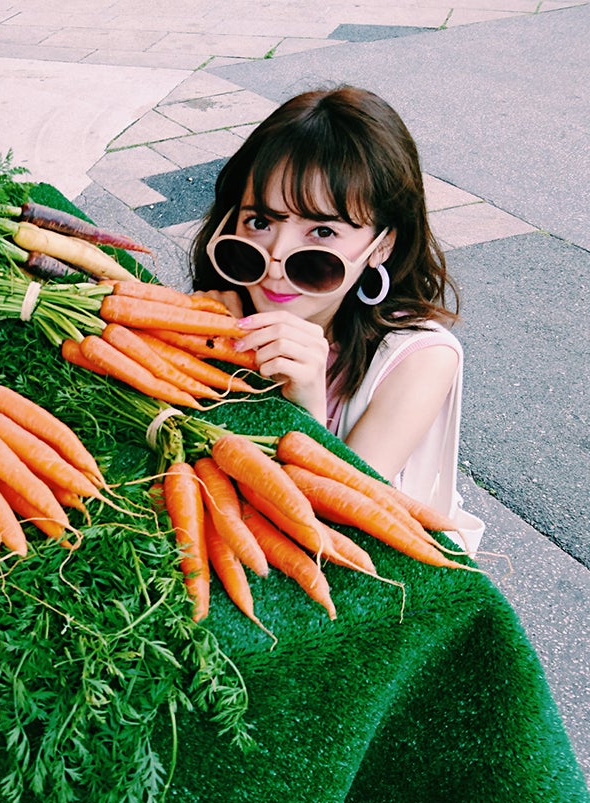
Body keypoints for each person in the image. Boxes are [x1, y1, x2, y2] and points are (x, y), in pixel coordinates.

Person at [190, 85, 484, 553]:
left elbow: (337, 522)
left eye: (323, 231)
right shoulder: (225, 305)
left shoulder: (421, 359)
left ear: (382, 245)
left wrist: (305, 403)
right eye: (260, 221)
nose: (276, 257)